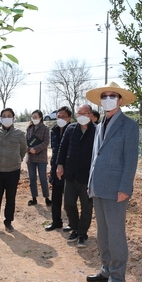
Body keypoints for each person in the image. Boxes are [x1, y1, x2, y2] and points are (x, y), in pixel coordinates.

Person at [85, 82, 139, 282]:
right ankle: (106, 270)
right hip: (98, 186)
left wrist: (125, 187)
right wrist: (90, 182)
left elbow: (131, 159)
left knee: (116, 235)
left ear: (120, 100)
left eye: (112, 96)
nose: (108, 98)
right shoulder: (99, 126)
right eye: (104, 96)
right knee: (103, 233)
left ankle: (117, 280)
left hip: (116, 188)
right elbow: (95, 158)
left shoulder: (129, 126)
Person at [56, 104, 96, 247]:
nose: (83, 116)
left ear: (91, 115)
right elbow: (62, 148)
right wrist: (59, 165)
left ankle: (82, 233)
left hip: (87, 177)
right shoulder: (71, 129)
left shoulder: (97, 131)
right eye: (80, 113)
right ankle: (75, 227)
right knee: (68, 204)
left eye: (86, 113)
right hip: (70, 174)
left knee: (86, 206)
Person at [0, 108, 27, 233]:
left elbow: (23, 149)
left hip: (13, 171)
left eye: (9, 116)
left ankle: (8, 222)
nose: (7, 118)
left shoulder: (20, 133)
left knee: (11, 198)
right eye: (4, 116)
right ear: (1, 118)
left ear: (13, 118)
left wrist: (17, 160)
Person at [44, 106, 72, 232]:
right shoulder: (54, 131)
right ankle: (56, 221)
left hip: (68, 170)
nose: (61, 119)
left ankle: (72, 223)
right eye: (59, 116)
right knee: (55, 198)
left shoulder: (73, 130)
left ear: (69, 118)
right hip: (55, 168)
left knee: (69, 200)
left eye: (64, 117)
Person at [25, 110, 51, 206]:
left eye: (36, 117)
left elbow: (46, 142)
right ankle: (34, 198)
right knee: (32, 179)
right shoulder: (29, 128)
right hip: (31, 158)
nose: (34, 119)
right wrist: (29, 149)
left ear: (40, 118)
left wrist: (35, 149)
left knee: (43, 178)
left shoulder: (45, 128)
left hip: (41, 158)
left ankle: (47, 197)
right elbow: (25, 141)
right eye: (33, 117)